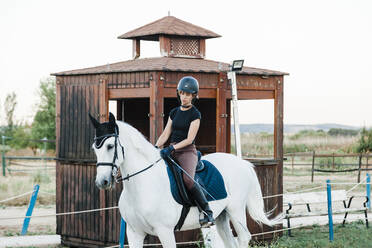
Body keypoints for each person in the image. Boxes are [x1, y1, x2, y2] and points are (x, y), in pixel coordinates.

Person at [155, 76, 215, 227]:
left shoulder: (195, 114)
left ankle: (207, 211)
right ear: (179, 93)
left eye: (188, 94)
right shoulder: (174, 112)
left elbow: (189, 139)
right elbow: (165, 134)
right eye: (182, 93)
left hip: (187, 151)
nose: (184, 97)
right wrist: (155, 148)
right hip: (172, 149)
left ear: (194, 96)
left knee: (188, 179)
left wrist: (172, 148)